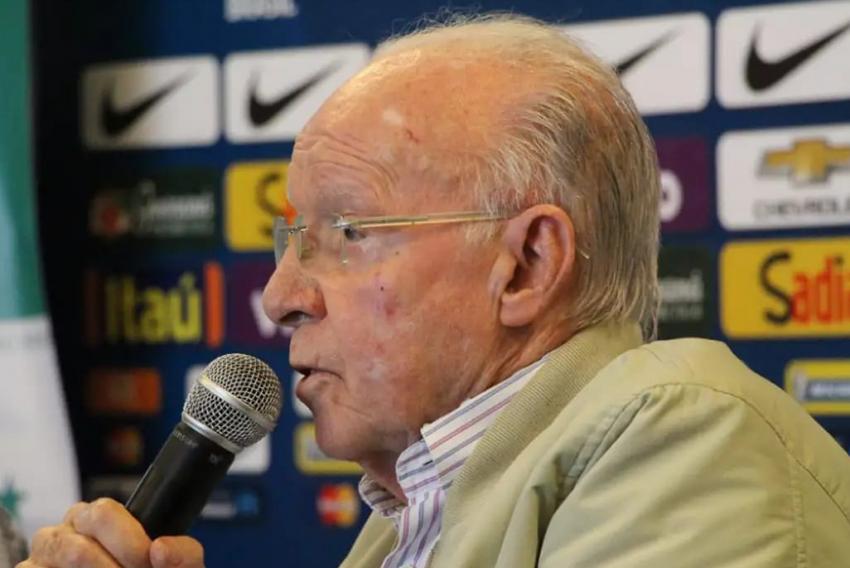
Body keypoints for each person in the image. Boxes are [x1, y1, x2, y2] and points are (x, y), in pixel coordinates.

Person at [20, 13, 850, 568]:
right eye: (291, 238)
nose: (279, 296)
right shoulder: (410, 512)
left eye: (346, 232)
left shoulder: (685, 440)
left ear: (526, 265)